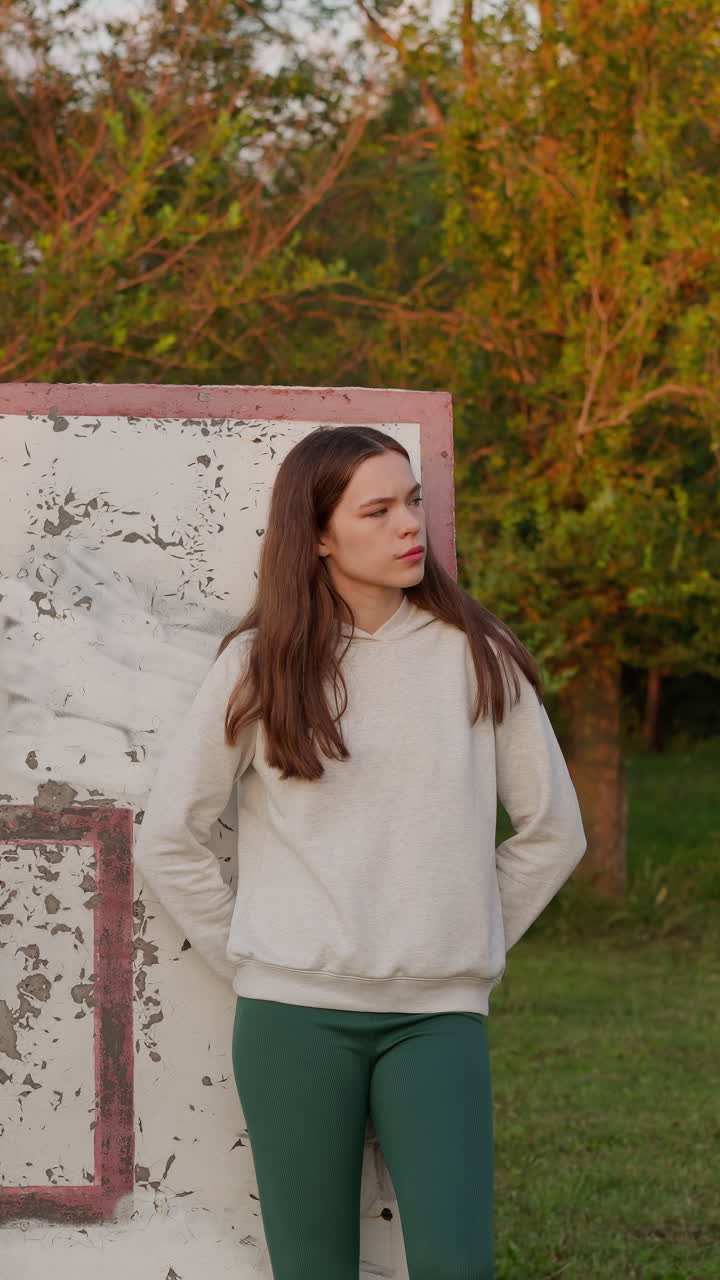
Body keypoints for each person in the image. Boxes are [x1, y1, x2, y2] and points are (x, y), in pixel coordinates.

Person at [133, 424, 587, 1279]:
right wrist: (259, 954)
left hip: (436, 1019)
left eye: (412, 500)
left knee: (458, 1265)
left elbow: (554, 833)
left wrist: (465, 935)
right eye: (376, 510)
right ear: (318, 537)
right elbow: (171, 837)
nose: (408, 524)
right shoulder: (259, 663)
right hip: (292, 1021)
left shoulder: (479, 658)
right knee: (312, 1270)